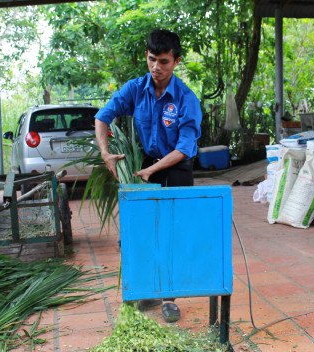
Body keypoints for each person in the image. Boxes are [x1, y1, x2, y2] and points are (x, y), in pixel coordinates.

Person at [94, 29, 202, 323]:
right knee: (143, 228)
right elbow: (102, 117)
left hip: (176, 167)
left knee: (171, 232)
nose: (157, 67)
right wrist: (106, 153)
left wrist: (154, 170)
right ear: (146, 56)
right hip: (144, 164)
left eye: (164, 61)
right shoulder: (135, 89)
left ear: (176, 61)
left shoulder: (186, 98)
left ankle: (169, 297)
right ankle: (144, 289)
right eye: (152, 59)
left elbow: (185, 147)